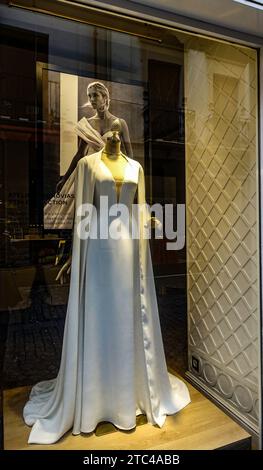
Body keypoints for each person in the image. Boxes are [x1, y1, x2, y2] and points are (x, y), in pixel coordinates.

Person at [24, 131, 190, 444]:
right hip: (98, 249)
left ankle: (129, 392)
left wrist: (154, 223)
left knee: (128, 316)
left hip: (128, 248)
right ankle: (95, 396)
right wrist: (74, 256)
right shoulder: (87, 164)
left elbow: (140, 208)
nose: (114, 134)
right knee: (99, 316)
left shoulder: (135, 168)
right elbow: (81, 214)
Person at [56, 81, 133, 193]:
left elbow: (129, 155)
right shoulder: (86, 124)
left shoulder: (121, 123)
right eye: (89, 96)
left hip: (110, 175)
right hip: (89, 174)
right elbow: (79, 154)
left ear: (105, 97)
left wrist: (128, 179)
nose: (92, 99)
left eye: (95, 95)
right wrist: (65, 178)